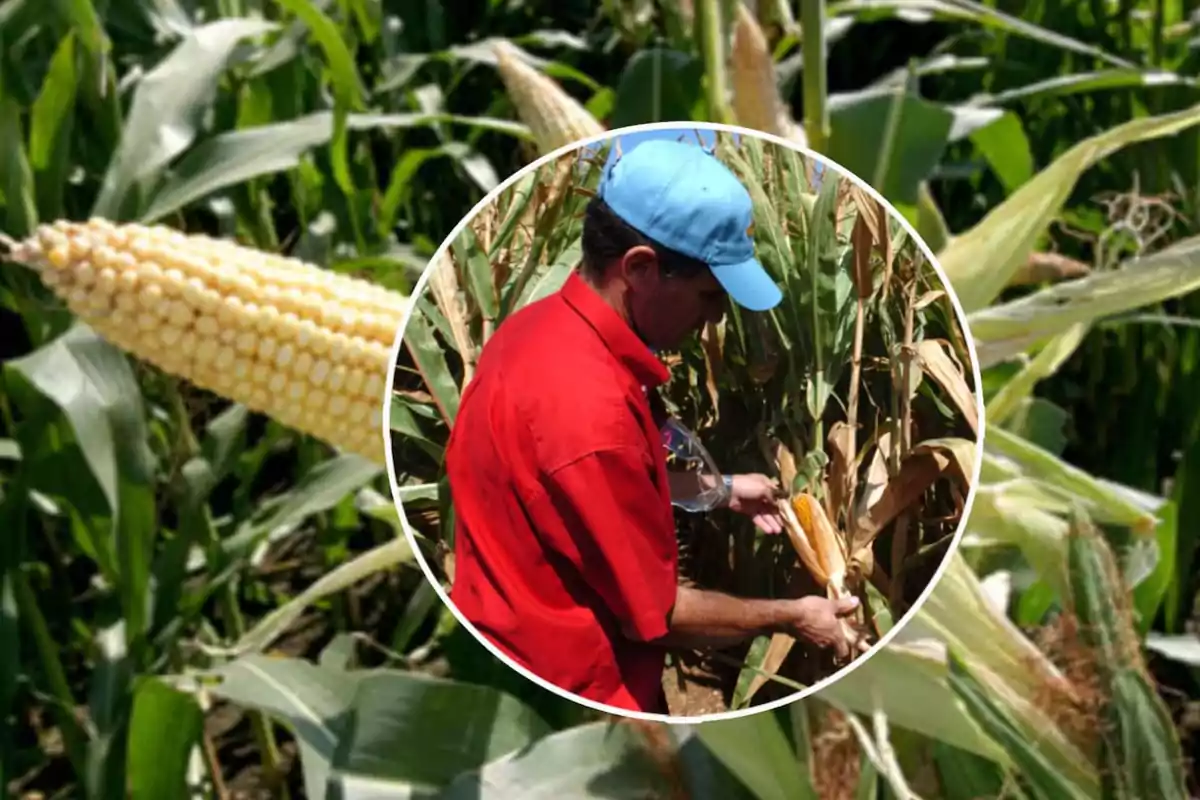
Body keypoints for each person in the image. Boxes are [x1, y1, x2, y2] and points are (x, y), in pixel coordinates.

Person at [443, 138, 859, 714]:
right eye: (709, 296)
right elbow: (658, 617)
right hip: (575, 694)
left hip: (505, 637)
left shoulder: (536, 330)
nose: (717, 318)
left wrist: (720, 490)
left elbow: (632, 452)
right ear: (640, 268)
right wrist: (792, 615)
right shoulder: (592, 419)